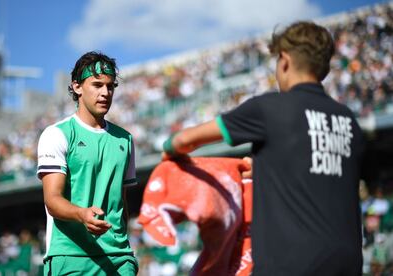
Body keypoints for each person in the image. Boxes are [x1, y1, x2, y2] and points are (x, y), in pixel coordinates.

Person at [162, 21, 365, 275]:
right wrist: (267, 168)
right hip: (348, 263)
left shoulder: (269, 109)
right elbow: (320, 171)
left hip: (291, 264)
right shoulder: (349, 121)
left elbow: (186, 141)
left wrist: (169, 148)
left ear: (284, 60)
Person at [37, 51, 138, 275]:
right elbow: (52, 201)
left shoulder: (126, 140)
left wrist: (125, 248)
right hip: (70, 257)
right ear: (77, 87)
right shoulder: (57, 134)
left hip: (119, 259)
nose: (105, 93)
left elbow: (122, 202)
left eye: (110, 86)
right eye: (97, 85)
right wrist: (82, 214)